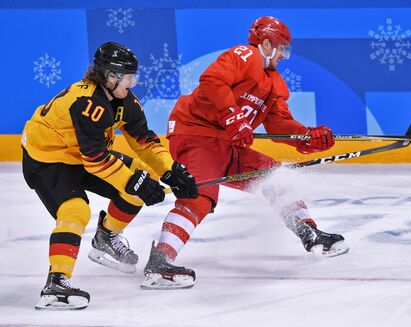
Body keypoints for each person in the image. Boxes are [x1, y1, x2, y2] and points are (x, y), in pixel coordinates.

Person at [140, 16, 349, 290]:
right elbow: (213, 81)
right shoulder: (244, 55)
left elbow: (278, 124)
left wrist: (307, 137)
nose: (284, 56)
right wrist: (233, 118)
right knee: (200, 197)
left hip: (228, 145)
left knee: (276, 177)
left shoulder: (275, 82)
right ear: (266, 44)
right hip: (196, 135)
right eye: (282, 48)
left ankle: (309, 233)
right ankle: (159, 262)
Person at [21, 41, 199, 310]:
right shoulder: (87, 102)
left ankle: (106, 236)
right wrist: (135, 182)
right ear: (110, 76)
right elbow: (95, 160)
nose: (133, 82)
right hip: (47, 158)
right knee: (75, 211)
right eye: (129, 76)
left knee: (140, 175)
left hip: (79, 155)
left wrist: (171, 171)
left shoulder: (123, 100)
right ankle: (55, 284)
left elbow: (144, 140)